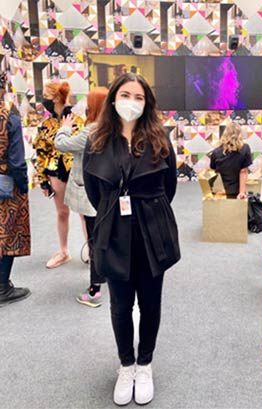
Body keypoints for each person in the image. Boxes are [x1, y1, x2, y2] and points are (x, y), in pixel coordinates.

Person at [83, 73, 180, 406]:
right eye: (126, 95)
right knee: (121, 307)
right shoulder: (96, 141)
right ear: (113, 99)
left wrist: (145, 207)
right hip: (113, 234)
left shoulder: (160, 139)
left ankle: (145, 363)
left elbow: (169, 187)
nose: (132, 102)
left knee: (151, 304)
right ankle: (126, 365)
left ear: (147, 103)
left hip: (153, 232)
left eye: (139, 97)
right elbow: (95, 192)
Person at [55, 87, 109, 308]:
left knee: (95, 240)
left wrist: (64, 128)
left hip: (91, 193)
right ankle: (104, 276)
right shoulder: (111, 129)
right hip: (105, 193)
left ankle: (95, 289)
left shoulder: (92, 130)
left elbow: (62, 145)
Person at [33, 81, 82, 269]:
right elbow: (40, 153)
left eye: (46, 97)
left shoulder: (78, 121)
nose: (43, 100)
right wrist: (43, 181)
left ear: (56, 99)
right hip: (54, 172)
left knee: (85, 214)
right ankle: (63, 251)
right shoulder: (46, 124)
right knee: (62, 212)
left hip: (77, 172)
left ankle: (92, 251)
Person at [0, 71, 31, 306]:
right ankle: (2, 287)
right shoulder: (9, 117)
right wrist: (23, 186)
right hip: (6, 186)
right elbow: (17, 161)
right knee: (7, 234)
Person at [209, 122, 252, 199]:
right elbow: (243, 171)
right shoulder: (245, 148)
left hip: (220, 192)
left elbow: (213, 170)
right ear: (239, 134)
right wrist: (241, 192)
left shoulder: (216, 152)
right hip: (237, 191)